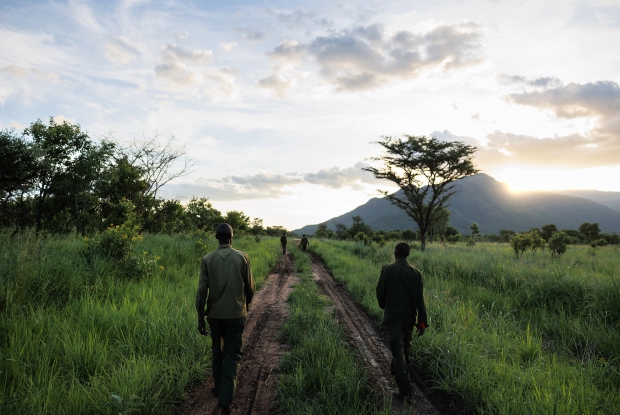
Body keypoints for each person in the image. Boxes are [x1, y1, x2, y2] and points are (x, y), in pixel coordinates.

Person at [196, 223, 255, 415]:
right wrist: (246, 305)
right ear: (231, 237)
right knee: (232, 354)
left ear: (216, 237)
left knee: (217, 352)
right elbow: (250, 288)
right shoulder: (242, 257)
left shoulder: (207, 259)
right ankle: (225, 398)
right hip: (236, 314)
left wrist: (200, 317)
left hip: (214, 315)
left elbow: (201, 292)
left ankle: (219, 389)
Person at [376, 242, 428, 403]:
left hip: (393, 318)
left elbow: (380, 293)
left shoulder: (387, 269)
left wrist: (385, 306)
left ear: (395, 253)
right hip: (409, 319)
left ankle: (406, 392)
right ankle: (402, 378)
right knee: (404, 351)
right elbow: (420, 300)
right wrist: (422, 322)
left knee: (398, 353)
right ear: (408, 254)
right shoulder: (416, 273)